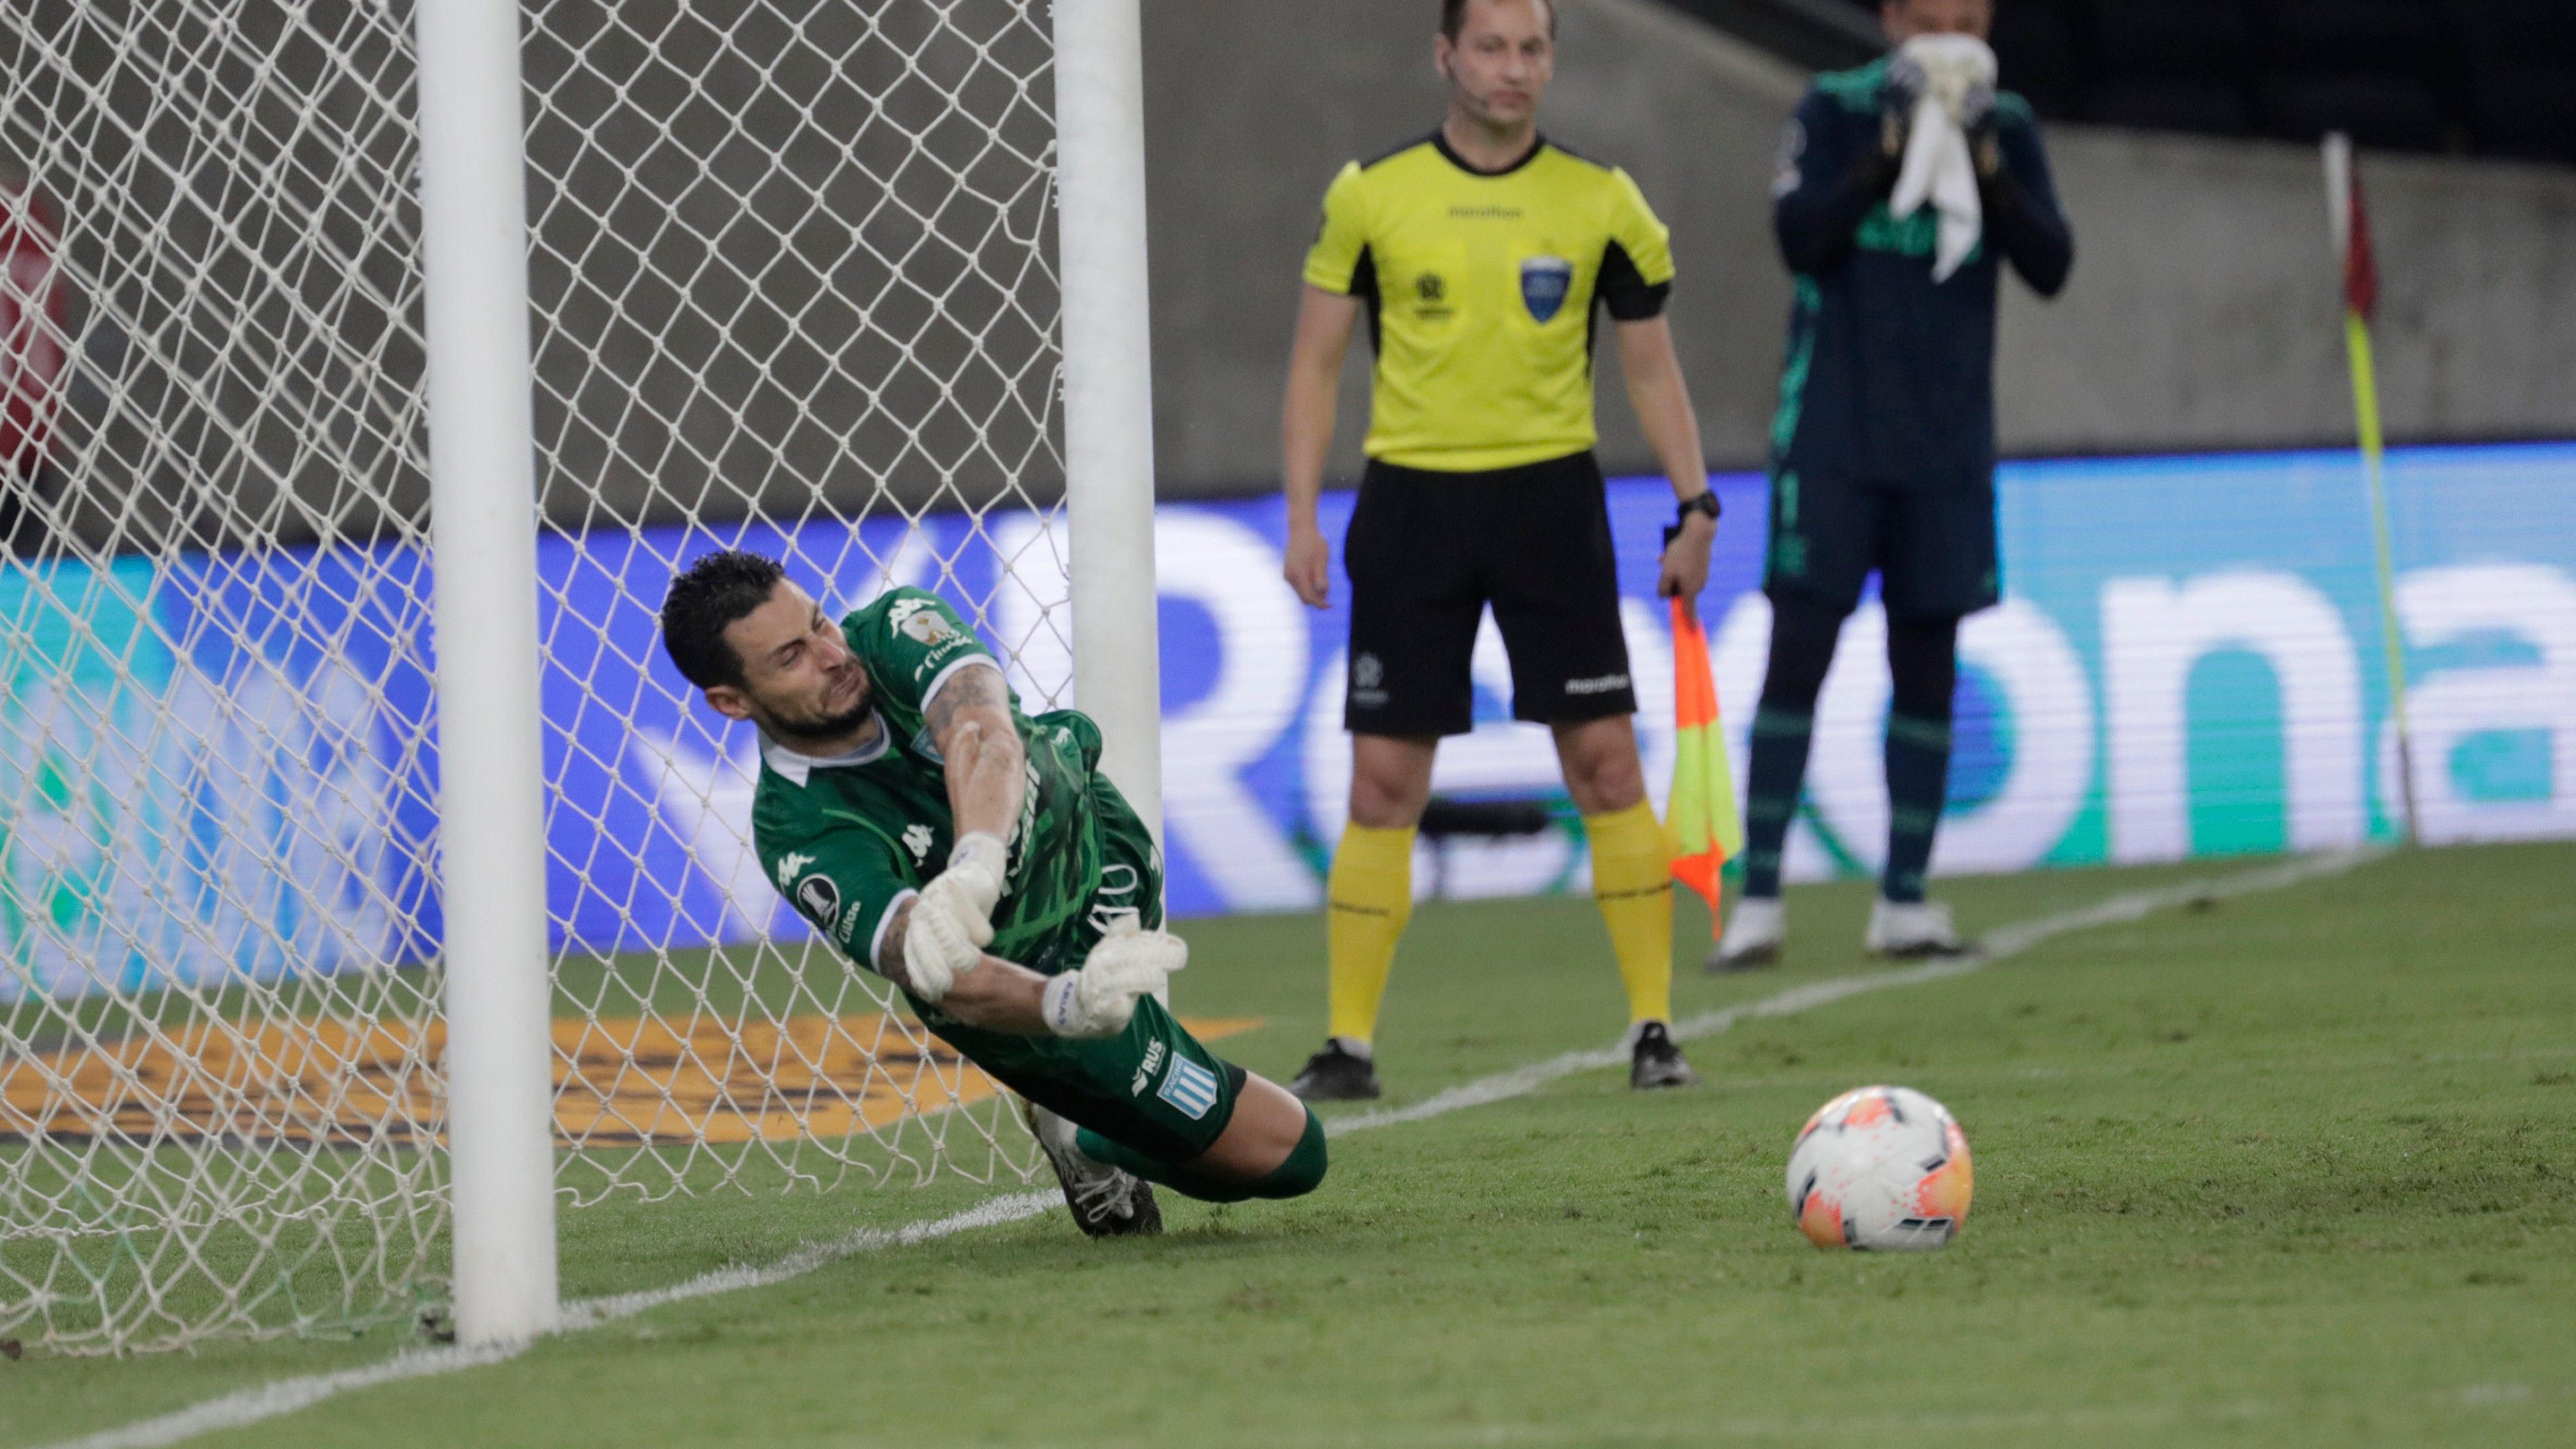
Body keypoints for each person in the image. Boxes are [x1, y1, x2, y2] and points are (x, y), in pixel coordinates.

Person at [1279, 0, 1720, 1101]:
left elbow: (1652, 369)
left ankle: (1655, 1030)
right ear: (1446, 55)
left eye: (1532, 48)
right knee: (1384, 783)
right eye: (1491, 46)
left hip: (1549, 504)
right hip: (1412, 506)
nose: (1513, 67)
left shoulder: (1604, 201)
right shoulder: (1369, 194)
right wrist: (1301, 517)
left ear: (1551, 60)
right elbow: (1315, 366)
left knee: (1607, 765)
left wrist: (1697, 504)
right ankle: (1348, 1045)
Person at [658, 551, 1328, 1235]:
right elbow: (941, 975)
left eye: (820, 623)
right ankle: (1083, 1138)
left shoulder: (895, 625)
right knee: (1292, 1156)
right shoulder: (800, 832)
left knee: (1208, 1108)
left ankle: (1113, 1108)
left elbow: (981, 732)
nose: (833, 655)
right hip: (1026, 986)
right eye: (791, 657)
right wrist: (1066, 1004)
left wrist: (976, 866)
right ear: (732, 702)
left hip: (1100, 846)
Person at [1714, 0, 2073, 969]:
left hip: (1945, 447)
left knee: (1928, 669)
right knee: (1798, 658)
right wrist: (1886, 152)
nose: (1947, 37)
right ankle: (1758, 900)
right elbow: (1801, 237)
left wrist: (1985, 162)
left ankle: (1904, 900)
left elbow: (2051, 264)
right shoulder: (1833, 108)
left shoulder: (2010, 123)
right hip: (1832, 436)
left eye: (1965, 19)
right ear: (1890, 21)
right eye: (1928, 19)